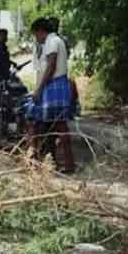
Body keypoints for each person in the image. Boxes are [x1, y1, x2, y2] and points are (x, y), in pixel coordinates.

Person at [28, 17, 76, 173]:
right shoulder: (55, 41)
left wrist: (39, 89)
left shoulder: (51, 42)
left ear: (41, 31)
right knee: (53, 124)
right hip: (56, 85)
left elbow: (51, 66)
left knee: (52, 123)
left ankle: (64, 163)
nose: (37, 38)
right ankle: (58, 161)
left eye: (36, 35)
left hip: (53, 85)